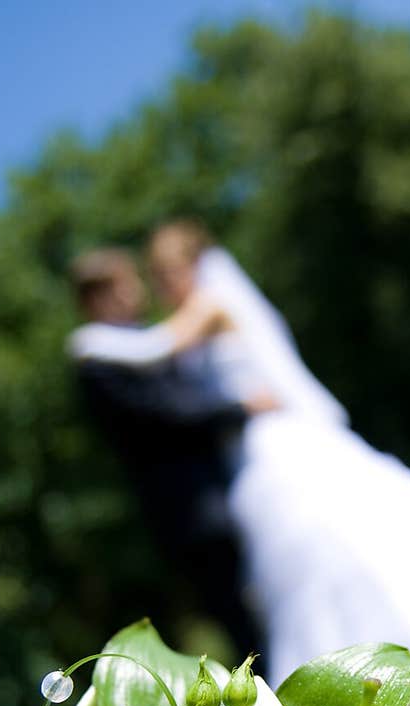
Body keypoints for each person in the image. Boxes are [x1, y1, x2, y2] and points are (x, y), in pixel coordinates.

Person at [68, 224, 410, 688]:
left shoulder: (206, 308)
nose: (160, 287)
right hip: (248, 456)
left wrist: (88, 341)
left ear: (191, 266)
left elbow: (153, 347)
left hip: (274, 441)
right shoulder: (194, 315)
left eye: (165, 274)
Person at [67, 246, 268, 661]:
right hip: (190, 508)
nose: (134, 292)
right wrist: (239, 409)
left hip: (226, 481)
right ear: (95, 300)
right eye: (121, 285)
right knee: (237, 613)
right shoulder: (97, 364)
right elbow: (164, 416)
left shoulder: (145, 342)